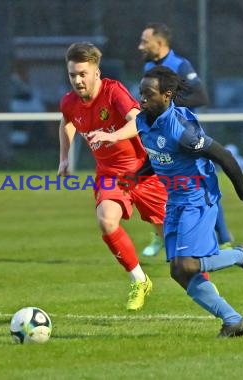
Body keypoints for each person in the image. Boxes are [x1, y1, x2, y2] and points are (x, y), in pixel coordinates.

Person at [89, 66, 243, 337]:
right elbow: (157, 157)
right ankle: (233, 320)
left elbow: (223, 155)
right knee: (180, 273)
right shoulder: (144, 121)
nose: (141, 99)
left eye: (148, 93)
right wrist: (135, 176)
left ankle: (241, 255)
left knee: (185, 265)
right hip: (175, 199)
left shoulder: (183, 132)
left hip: (198, 198)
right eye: (140, 92)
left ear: (167, 95)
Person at [58, 42, 168, 311]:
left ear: (96, 72)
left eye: (83, 73)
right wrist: (64, 156)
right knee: (106, 221)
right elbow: (67, 121)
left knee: (175, 241)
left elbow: (138, 120)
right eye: (73, 75)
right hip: (110, 175)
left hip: (143, 172)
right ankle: (140, 281)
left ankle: (211, 272)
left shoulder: (113, 91)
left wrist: (112, 135)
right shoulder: (69, 102)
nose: (78, 80)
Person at [137, 22, 233, 257]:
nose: (140, 46)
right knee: (159, 182)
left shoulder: (180, 64)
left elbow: (201, 96)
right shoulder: (149, 66)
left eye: (144, 41)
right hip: (160, 134)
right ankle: (159, 234)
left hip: (183, 135)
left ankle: (225, 239)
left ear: (159, 43)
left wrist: (168, 107)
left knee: (199, 184)